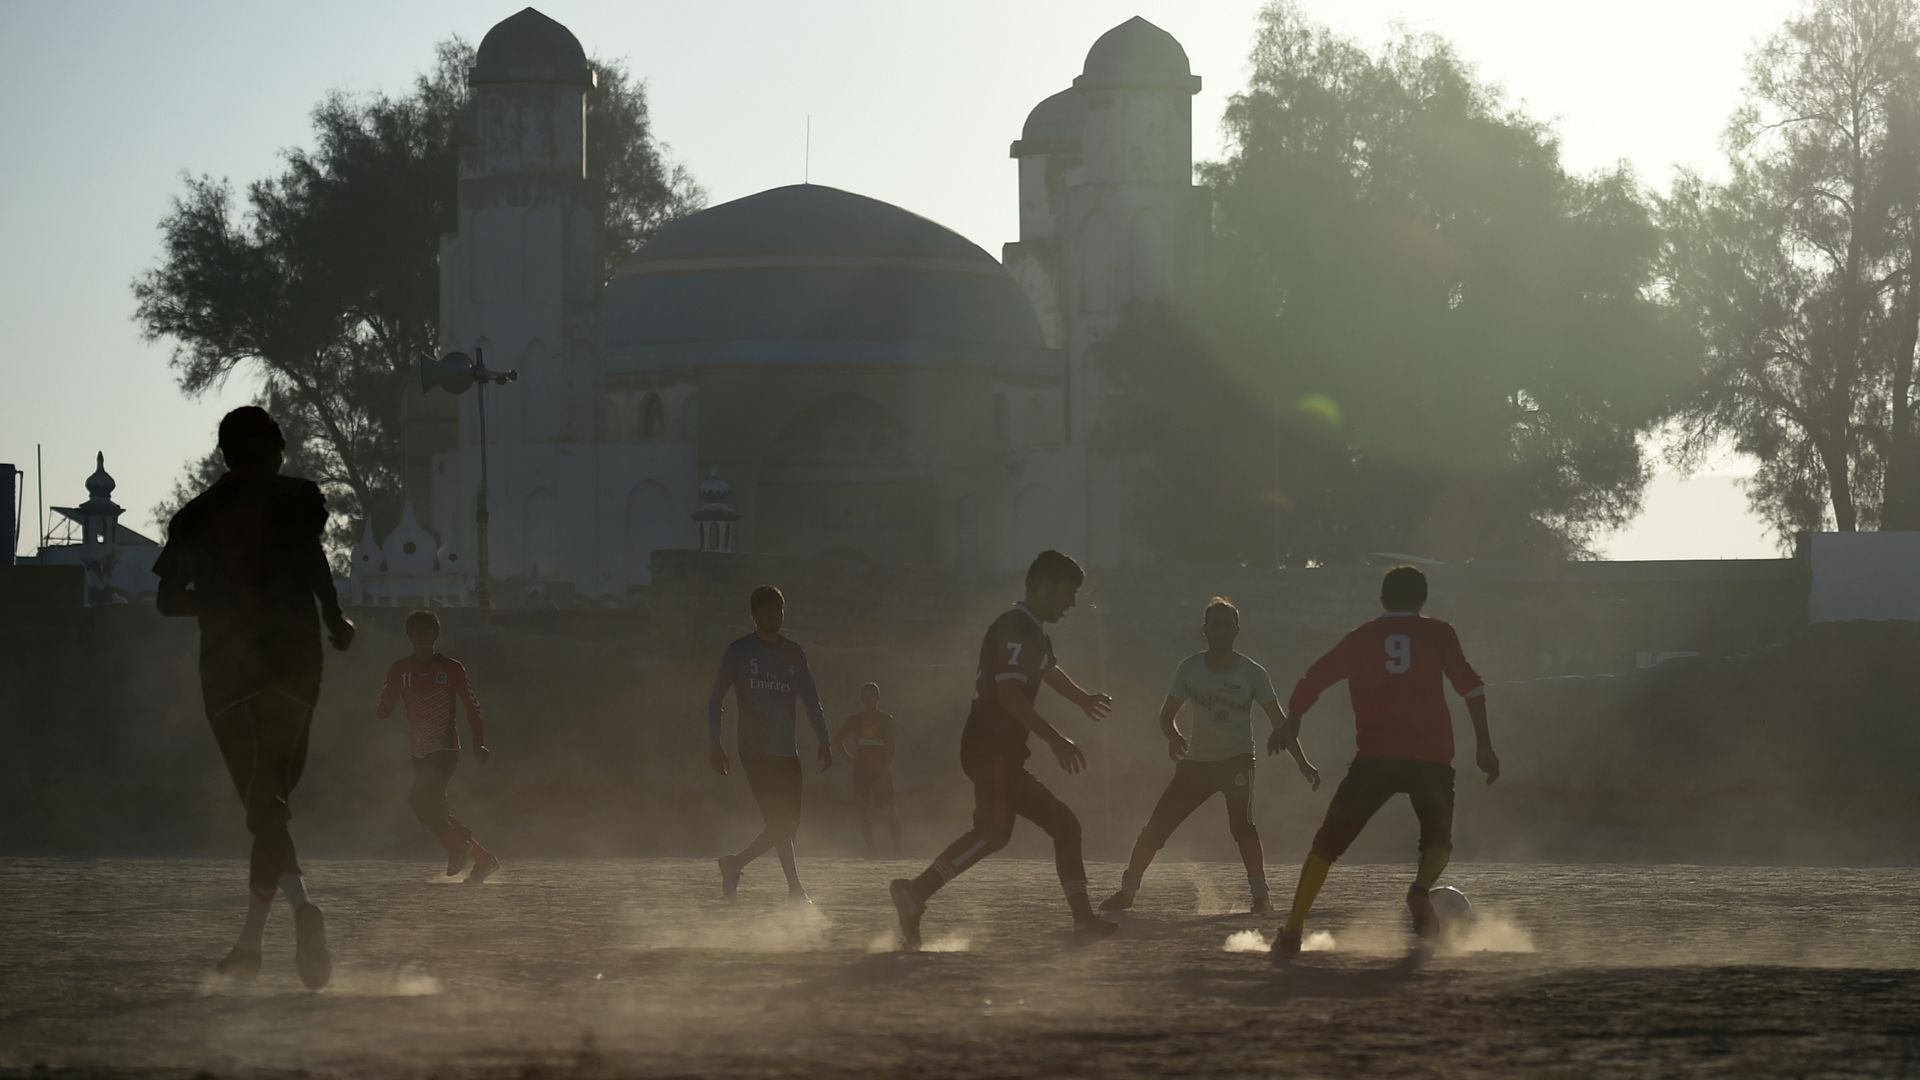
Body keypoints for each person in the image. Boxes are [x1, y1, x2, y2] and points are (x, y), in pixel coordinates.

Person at [153, 406, 354, 989]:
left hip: (228, 678)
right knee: (270, 805)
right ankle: (254, 942)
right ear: (275, 453)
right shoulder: (300, 500)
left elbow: (167, 601)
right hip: (296, 668)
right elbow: (315, 562)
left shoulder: (197, 516)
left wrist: (220, 605)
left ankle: (294, 915)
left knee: (263, 808)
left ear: (223, 455)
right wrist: (336, 620)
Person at [889, 550, 1118, 948]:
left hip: (998, 750)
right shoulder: (1015, 628)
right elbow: (1010, 695)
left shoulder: (1032, 632)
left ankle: (916, 893)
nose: (1072, 603)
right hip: (991, 748)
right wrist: (1056, 739)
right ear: (1044, 586)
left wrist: (1081, 699)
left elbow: (1047, 668)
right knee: (1006, 830)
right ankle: (915, 893)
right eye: (1068, 592)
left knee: (1033, 829)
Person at [1269, 566, 1500, 958]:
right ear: (1422, 601)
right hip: (1431, 756)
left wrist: (1292, 721)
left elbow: (1313, 679)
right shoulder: (1439, 633)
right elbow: (1472, 687)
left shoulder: (1362, 638)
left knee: (1327, 843)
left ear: (1381, 601)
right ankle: (1420, 889)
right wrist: (1484, 745)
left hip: (1375, 757)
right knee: (1439, 839)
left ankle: (1292, 931)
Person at [1101, 597, 1320, 915]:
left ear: (1236, 630)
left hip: (1237, 761)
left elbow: (1279, 722)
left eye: (1227, 623)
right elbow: (1166, 714)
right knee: (1156, 828)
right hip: (1196, 765)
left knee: (1243, 826)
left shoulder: (1252, 673)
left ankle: (1261, 896)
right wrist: (1172, 734)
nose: (1220, 629)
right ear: (1204, 629)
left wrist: (1302, 762)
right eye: (1214, 623)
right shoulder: (1189, 668)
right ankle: (1127, 891)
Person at [708, 585, 833, 902]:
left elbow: (812, 700)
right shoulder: (738, 652)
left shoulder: (794, 652)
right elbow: (715, 699)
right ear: (754, 615)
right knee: (779, 821)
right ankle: (795, 891)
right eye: (767, 610)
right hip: (754, 750)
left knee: (787, 827)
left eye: (779, 609)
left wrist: (824, 738)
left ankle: (735, 864)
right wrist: (715, 742)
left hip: (786, 750)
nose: (774, 615)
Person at [375, 610, 499, 884]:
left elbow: (472, 707)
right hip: (418, 751)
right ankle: (483, 858)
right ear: (410, 637)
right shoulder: (400, 669)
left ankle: (457, 847)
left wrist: (479, 743)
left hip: (445, 749)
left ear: (435, 636)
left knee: (420, 800)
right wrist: (383, 704)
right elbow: (384, 708)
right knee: (435, 808)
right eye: (418, 634)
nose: (423, 638)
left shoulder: (451, 668)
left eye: (428, 633)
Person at [834, 682, 901, 856]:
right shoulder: (855, 720)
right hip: (861, 773)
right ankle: (872, 851)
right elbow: (837, 740)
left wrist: (885, 768)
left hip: (881, 772)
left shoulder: (887, 720)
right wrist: (849, 758)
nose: (869, 700)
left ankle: (898, 849)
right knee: (863, 812)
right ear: (861, 699)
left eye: (872, 696)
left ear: (878, 698)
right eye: (866, 696)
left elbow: (892, 748)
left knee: (890, 811)